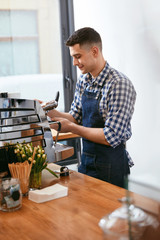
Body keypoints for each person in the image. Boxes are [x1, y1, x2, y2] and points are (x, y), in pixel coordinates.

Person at [47, 27, 136, 188]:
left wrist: (73, 128)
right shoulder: (84, 80)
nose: (74, 63)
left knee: (112, 212)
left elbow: (111, 136)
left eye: (78, 56)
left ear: (94, 51)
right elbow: (76, 117)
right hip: (87, 162)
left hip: (112, 167)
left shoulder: (119, 84)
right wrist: (50, 112)